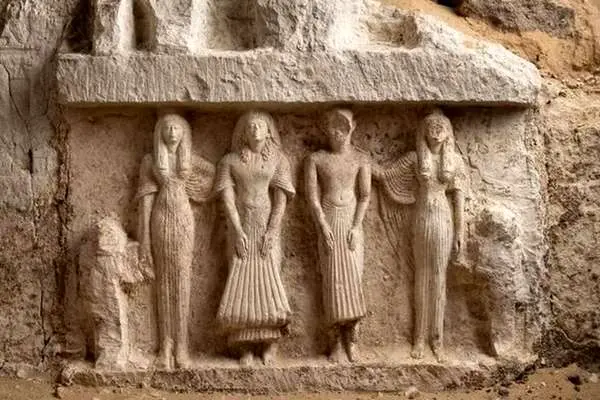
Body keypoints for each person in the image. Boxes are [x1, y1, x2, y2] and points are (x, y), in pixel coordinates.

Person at [373, 108, 466, 362]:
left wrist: (460, 231)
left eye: (440, 129)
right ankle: (419, 338)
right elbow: (386, 175)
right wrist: (362, 162)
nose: (435, 134)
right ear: (423, 132)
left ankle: (438, 340)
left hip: (443, 219)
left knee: (439, 278)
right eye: (431, 129)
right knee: (422, 277)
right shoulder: (415, 159)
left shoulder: (454, 161)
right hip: (422, 218)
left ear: (448, 133)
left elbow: (459, 199)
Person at [215, 110, 295, 367]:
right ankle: (245, 347)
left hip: (266, 224)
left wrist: (272, 231)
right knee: (240, 281)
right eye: (250, 126)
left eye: (260, 125)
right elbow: (228, 200)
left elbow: (280, 200)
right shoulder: (229, 161)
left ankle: (269, 344)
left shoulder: (279, 160)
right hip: (241, 225)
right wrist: (237, 230)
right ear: (242, 133)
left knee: (269, 279)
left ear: (269, 131)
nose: (255, 130)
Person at [305, 108, 371, 363]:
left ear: (352, 128)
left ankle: (352, 340)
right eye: (333, 127)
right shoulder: (316, 159)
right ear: (326, 130)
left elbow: (364, 196)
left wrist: (355, 226)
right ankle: (334, 343)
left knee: (353, 280)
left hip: (352, 224)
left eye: (343, 127)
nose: (337, 132)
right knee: (332, 281)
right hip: (330, 221)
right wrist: (323, 226)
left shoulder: (361, 159)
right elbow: (312, 197)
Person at [136, 113, 197, 370]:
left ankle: (181, 346)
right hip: (160, 220)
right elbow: (145, 202)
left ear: (184, 134)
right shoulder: (150, 161)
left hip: (183, 220)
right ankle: (165, 346)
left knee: (182, 280)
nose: (172, 132)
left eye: (177, 128)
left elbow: (213, 179)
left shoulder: (190, 162)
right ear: (159, 133)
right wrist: (144, 239)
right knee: (163, 281)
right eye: (167, 127)